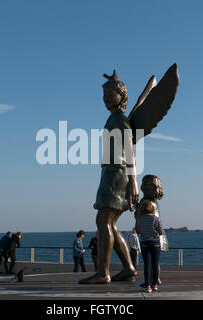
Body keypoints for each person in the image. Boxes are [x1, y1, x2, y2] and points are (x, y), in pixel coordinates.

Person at [79, 71, 138, 284]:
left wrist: (133, 181)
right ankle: (128, 268)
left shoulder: (120, 120)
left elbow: (130, 149)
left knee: (103, 220)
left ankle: (103, 273)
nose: (106, 99)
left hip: (118, 174)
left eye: (110, 94)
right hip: (110, 173)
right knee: (109, 223)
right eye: (104, 95)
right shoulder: (114, 118)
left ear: (121, 96)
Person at [135, 200, 164, 293]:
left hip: (144, 243)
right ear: (152, 209)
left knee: (147, 266)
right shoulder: (156, 219)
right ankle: (155, 285)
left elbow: (138, 231)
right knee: (155, 265)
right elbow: (161, 232)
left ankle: (148, 286)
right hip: (155, 243)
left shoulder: (139, 219)